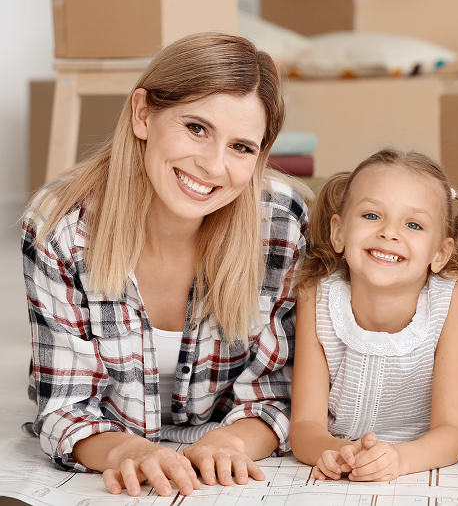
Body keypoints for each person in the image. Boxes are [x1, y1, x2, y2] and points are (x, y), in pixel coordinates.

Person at [22, 33, 307, 497]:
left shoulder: (281, 223)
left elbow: (278, 394)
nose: (213, 166)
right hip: (115, 450)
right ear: (142, 115)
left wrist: (229, 442)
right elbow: (65, 407)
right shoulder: (60, 226)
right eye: (196, 128)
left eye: (241, 147)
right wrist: (128, 452)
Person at [289, 149, 458, 482]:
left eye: (413, 224)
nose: (389, 232)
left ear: (440, 253)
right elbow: (304, 427)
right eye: (371, 215)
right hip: (341, 461)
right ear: (338, 232)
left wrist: (398, 459)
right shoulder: (317, 295)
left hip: (415, 469)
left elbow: (452, 432)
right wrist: (337, 452)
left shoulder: (453, 300)